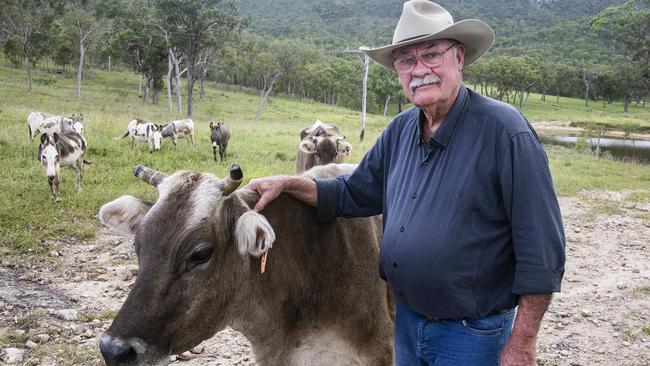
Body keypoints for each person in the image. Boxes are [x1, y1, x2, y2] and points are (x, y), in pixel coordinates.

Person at [246, 1, 566, 365]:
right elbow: (354, 193)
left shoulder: (506, 133)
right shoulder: (400, 129)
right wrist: (291, 184)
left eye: (431, 54)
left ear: (459, 57)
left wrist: (522, 343)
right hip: (406, 323)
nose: (419, 70)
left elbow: (542, 252)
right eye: (406, 61)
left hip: (472, 335)